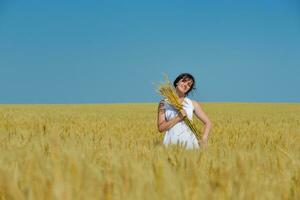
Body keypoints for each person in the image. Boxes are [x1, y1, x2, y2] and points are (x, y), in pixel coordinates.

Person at [157, 73, 212, 149]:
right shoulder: (164, 103)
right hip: (170, 145)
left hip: (191, 145)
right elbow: (161, 128)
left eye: (189, 85)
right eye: (184, 81)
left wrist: (204, 138)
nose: (186, 85)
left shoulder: (192, 103)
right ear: (177, 82)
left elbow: (208, 123)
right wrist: (178, 118)